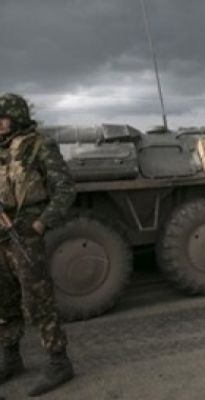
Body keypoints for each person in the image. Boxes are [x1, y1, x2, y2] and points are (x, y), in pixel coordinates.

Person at [0, 93, 76, 396]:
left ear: (17, 116)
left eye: (3, 118)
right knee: (4, 301)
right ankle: (11, 358)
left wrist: (41, 223)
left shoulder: (39, 145)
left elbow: (65, 189)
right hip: (1, 235)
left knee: (38, 300)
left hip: (26, 235)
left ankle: (59, 362)